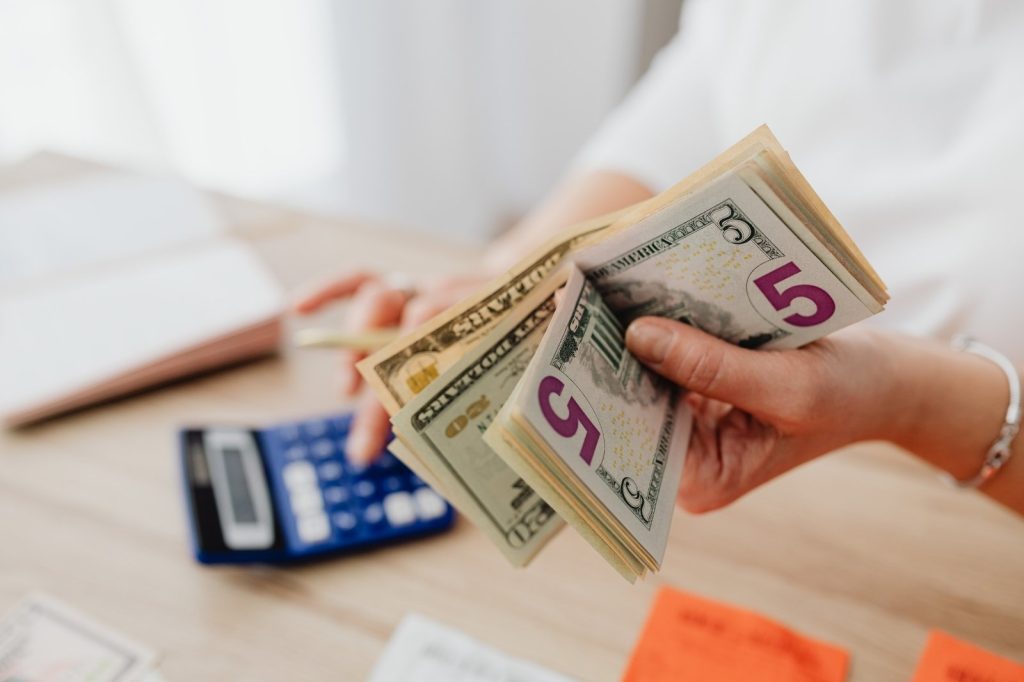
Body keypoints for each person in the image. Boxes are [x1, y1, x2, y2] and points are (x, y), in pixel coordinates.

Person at [296, 0, 1024, 515]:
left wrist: (903, 400)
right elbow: (700, 95)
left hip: (968, 537)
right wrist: (504, 281)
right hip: (763, 515)